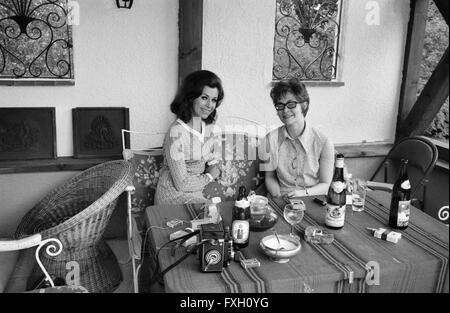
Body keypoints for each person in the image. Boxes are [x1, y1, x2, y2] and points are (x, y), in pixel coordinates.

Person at [155, 70, 224, 205]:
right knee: (212, 215)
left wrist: (213, 164)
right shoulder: (176, 133)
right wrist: (210, 175)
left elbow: (213, 162)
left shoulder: (208, 127)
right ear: (190, 97)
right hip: (172, 195)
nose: (210, 105)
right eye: (204, 98)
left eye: (214, 100)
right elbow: (182, 184)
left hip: (195, 192)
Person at [261, 78, 334, 198]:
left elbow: (326, 184)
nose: (285, 110)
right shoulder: (270, 140)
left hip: (313, 198)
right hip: (282, 198)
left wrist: (303, 194)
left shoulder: (324, 141)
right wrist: (278, 196)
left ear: (304, 105)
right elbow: (270, 177)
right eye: (280, 105)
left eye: (291, 104)